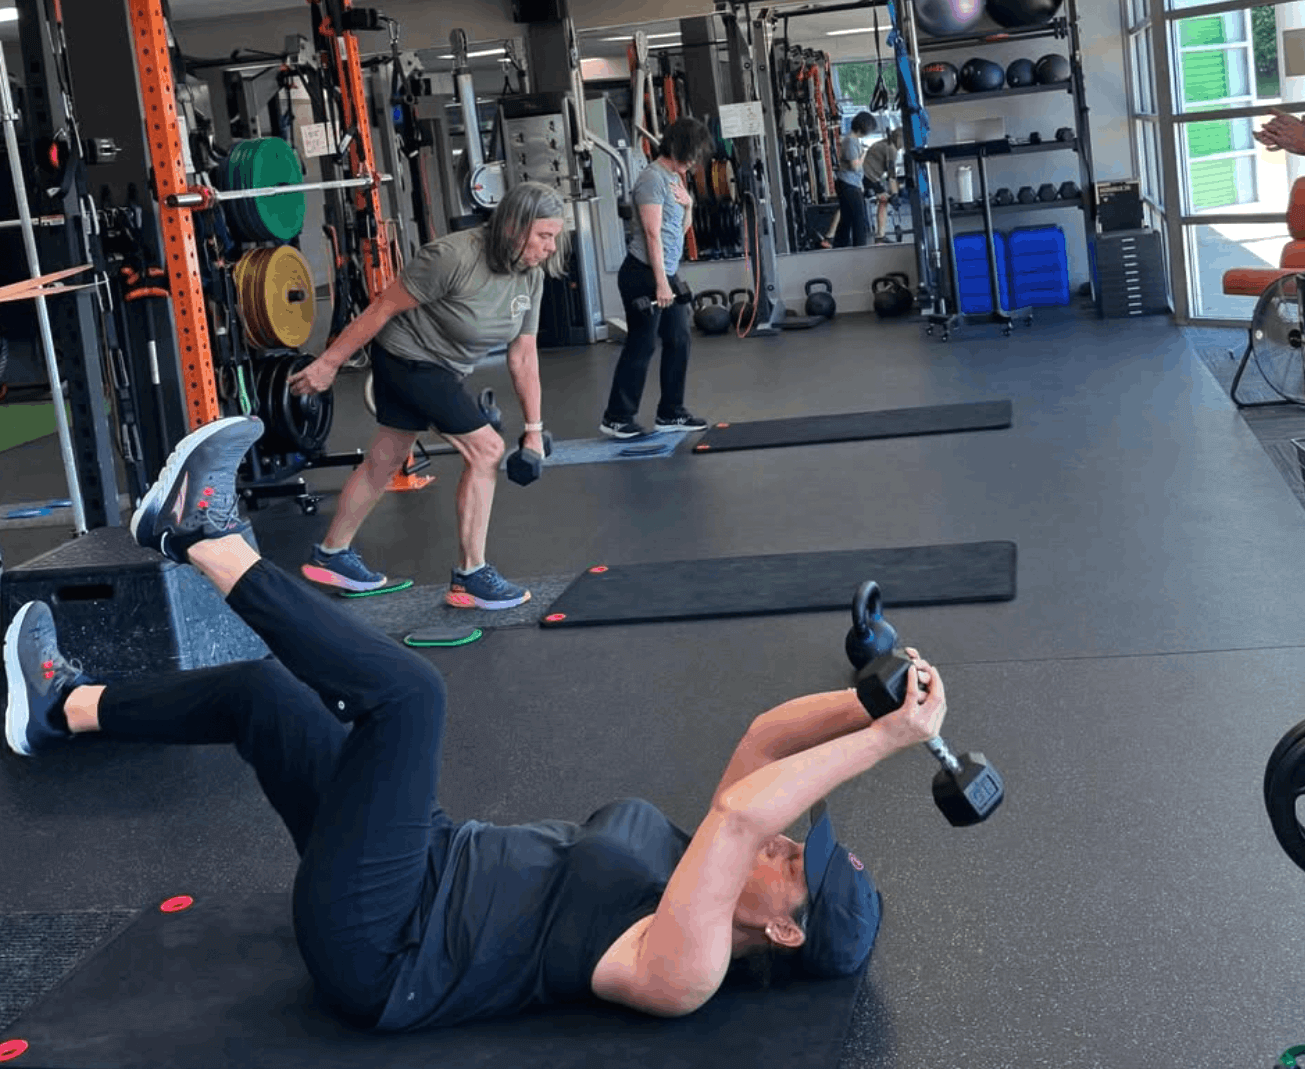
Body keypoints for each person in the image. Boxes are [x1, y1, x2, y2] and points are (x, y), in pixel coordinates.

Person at [4, 415, 948, 1032]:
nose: (787, 845)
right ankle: (61, 711)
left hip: (386, 944)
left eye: (797, 868)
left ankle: (201, 537)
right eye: (800, 844)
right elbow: (758, 746)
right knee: (262, 699)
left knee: (412, 698)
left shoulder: (688, 966)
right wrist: (870, 697)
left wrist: (885, 746)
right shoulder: (705, 859)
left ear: (785, 933)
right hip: (421, 858)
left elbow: (747, 807)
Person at [285, 182, 567, 609]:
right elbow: (381, 308)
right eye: (544, 236)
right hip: (407, 358)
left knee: (386, 457)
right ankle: (470, 575)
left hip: (444, 368)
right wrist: (329, 363)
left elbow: (523, 355)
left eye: (555, 237)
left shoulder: (531, 277)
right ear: (514, 227)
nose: (550, 246)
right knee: (486, 450)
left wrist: (533, 429)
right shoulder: (451, 257)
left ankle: (332, 554)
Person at [600, 118, 716, 440]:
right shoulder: (652, 179)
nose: (694, 161)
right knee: (643, 343)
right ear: (678, 146)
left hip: (665, 271)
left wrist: (690, 204)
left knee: (679, 339)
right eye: (692, 153)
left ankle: (671, 413)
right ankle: (617, 417)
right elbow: (651, 235)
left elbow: (677, 232)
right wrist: (662, 282)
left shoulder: (674, 179)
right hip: (643, 273)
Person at [832, 112, 875, 249]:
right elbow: (854, 166)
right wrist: (864, 154)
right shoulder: (850, 141)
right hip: (849, 184)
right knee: (858, 220)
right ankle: (860, 248)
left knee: (847, 219)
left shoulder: (853, 140)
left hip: (851, 183)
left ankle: (840, 246)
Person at [862, 127, 903, 245]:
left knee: (883, 200)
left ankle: (880, 236)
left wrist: (894, 193)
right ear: (899, 139)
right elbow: (891, 175)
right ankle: (880, 237)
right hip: (868, 178)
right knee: (884, 199)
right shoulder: (892, 149)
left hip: (867, 177)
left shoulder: (884, 143)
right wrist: (895, 194)